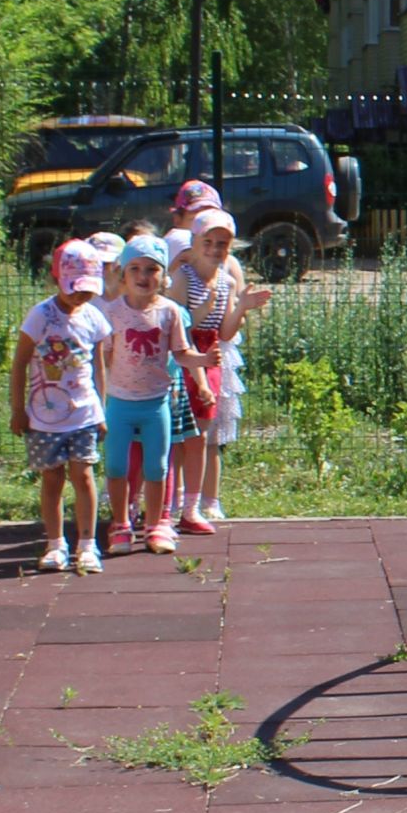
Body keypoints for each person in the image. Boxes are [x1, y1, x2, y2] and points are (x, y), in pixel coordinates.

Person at [100, 235, 221, 555]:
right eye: (135, 269)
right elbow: (104, 358)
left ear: (163, 275)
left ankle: (156, 525)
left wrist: (204, 362)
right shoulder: (112, 313)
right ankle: (121, 523)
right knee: (116, 467)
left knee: (157, 467)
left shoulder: (169, 312)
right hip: (120, 404)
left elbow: (181, 353)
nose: (143, 276)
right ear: (122, 273)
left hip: (157, 404)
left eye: (152, 269)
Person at [11, 240, 112, 573]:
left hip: (84, 413)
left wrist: (102, 409)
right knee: (52, 479)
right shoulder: (40, 316)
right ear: (57, 279)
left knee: (83, 476)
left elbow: (98, 365)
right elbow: (20, 362)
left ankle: (87, 544)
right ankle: (55, 545)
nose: (80, 296)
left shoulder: (94, 317)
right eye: (74, 289)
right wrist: (17, 409)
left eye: (87, 290)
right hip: (44, 416)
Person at [169, 208, 267, 528]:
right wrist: (206, 307)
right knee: (178, 435)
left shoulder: (225, 279)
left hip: (210, 355)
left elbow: (225, 333)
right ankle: (171, 503)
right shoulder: (183, 277)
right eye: (208, 241)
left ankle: (196, 504)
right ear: (195, 242)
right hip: (183, 355)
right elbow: (179, 330)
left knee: (204, 433)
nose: (214, 249)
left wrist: (240, 307)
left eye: (222, 244)